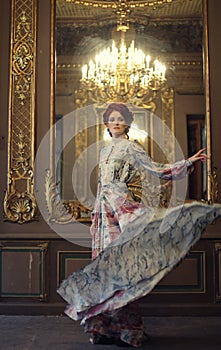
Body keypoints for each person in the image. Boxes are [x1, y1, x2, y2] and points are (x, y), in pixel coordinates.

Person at [58, 103, 221, 348]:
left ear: (127, 123)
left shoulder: (132, 148)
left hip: (123, 212)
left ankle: (130, 331)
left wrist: (188, 161)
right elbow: (103, 187)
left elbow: (157, 170)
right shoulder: (103, 152)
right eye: (111, 119)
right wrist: (95, 217)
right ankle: (103, 328)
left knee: (123, 273)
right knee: (104, 272)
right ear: (106, 123)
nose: (116, 122)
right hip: (104, 216)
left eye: (120, 119)